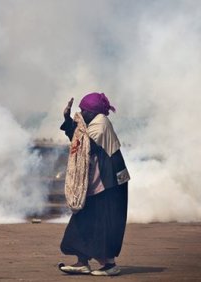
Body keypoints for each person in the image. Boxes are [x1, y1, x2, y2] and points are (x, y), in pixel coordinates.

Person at [58, 92, 130, 276]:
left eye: (84, 110)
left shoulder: (101, 123)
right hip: (96, 182)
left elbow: (84, 144)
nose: (81, 112)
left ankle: (110, 265)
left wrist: (75, 124)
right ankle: (82, 262)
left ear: (93, 111)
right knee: (83, 218)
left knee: (105, 222)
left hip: (110, 183)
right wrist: (67, 118)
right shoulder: (90, 123)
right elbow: (78, 140)